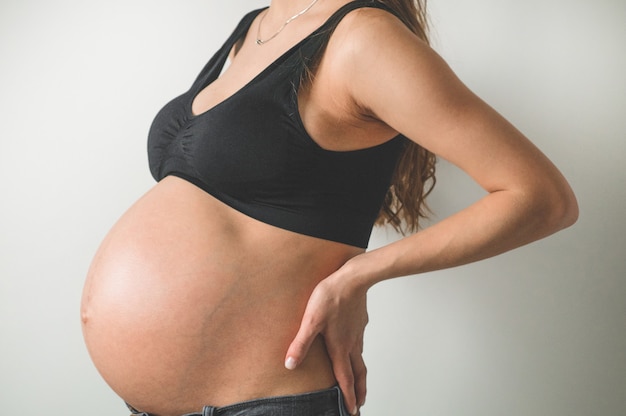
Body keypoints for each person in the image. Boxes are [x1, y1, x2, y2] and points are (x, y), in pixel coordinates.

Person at [80, 0, 578, 415]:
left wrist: (357, 276)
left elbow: (541, 197)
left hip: (264, 400)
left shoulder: (364, 39)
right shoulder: (254, 26)